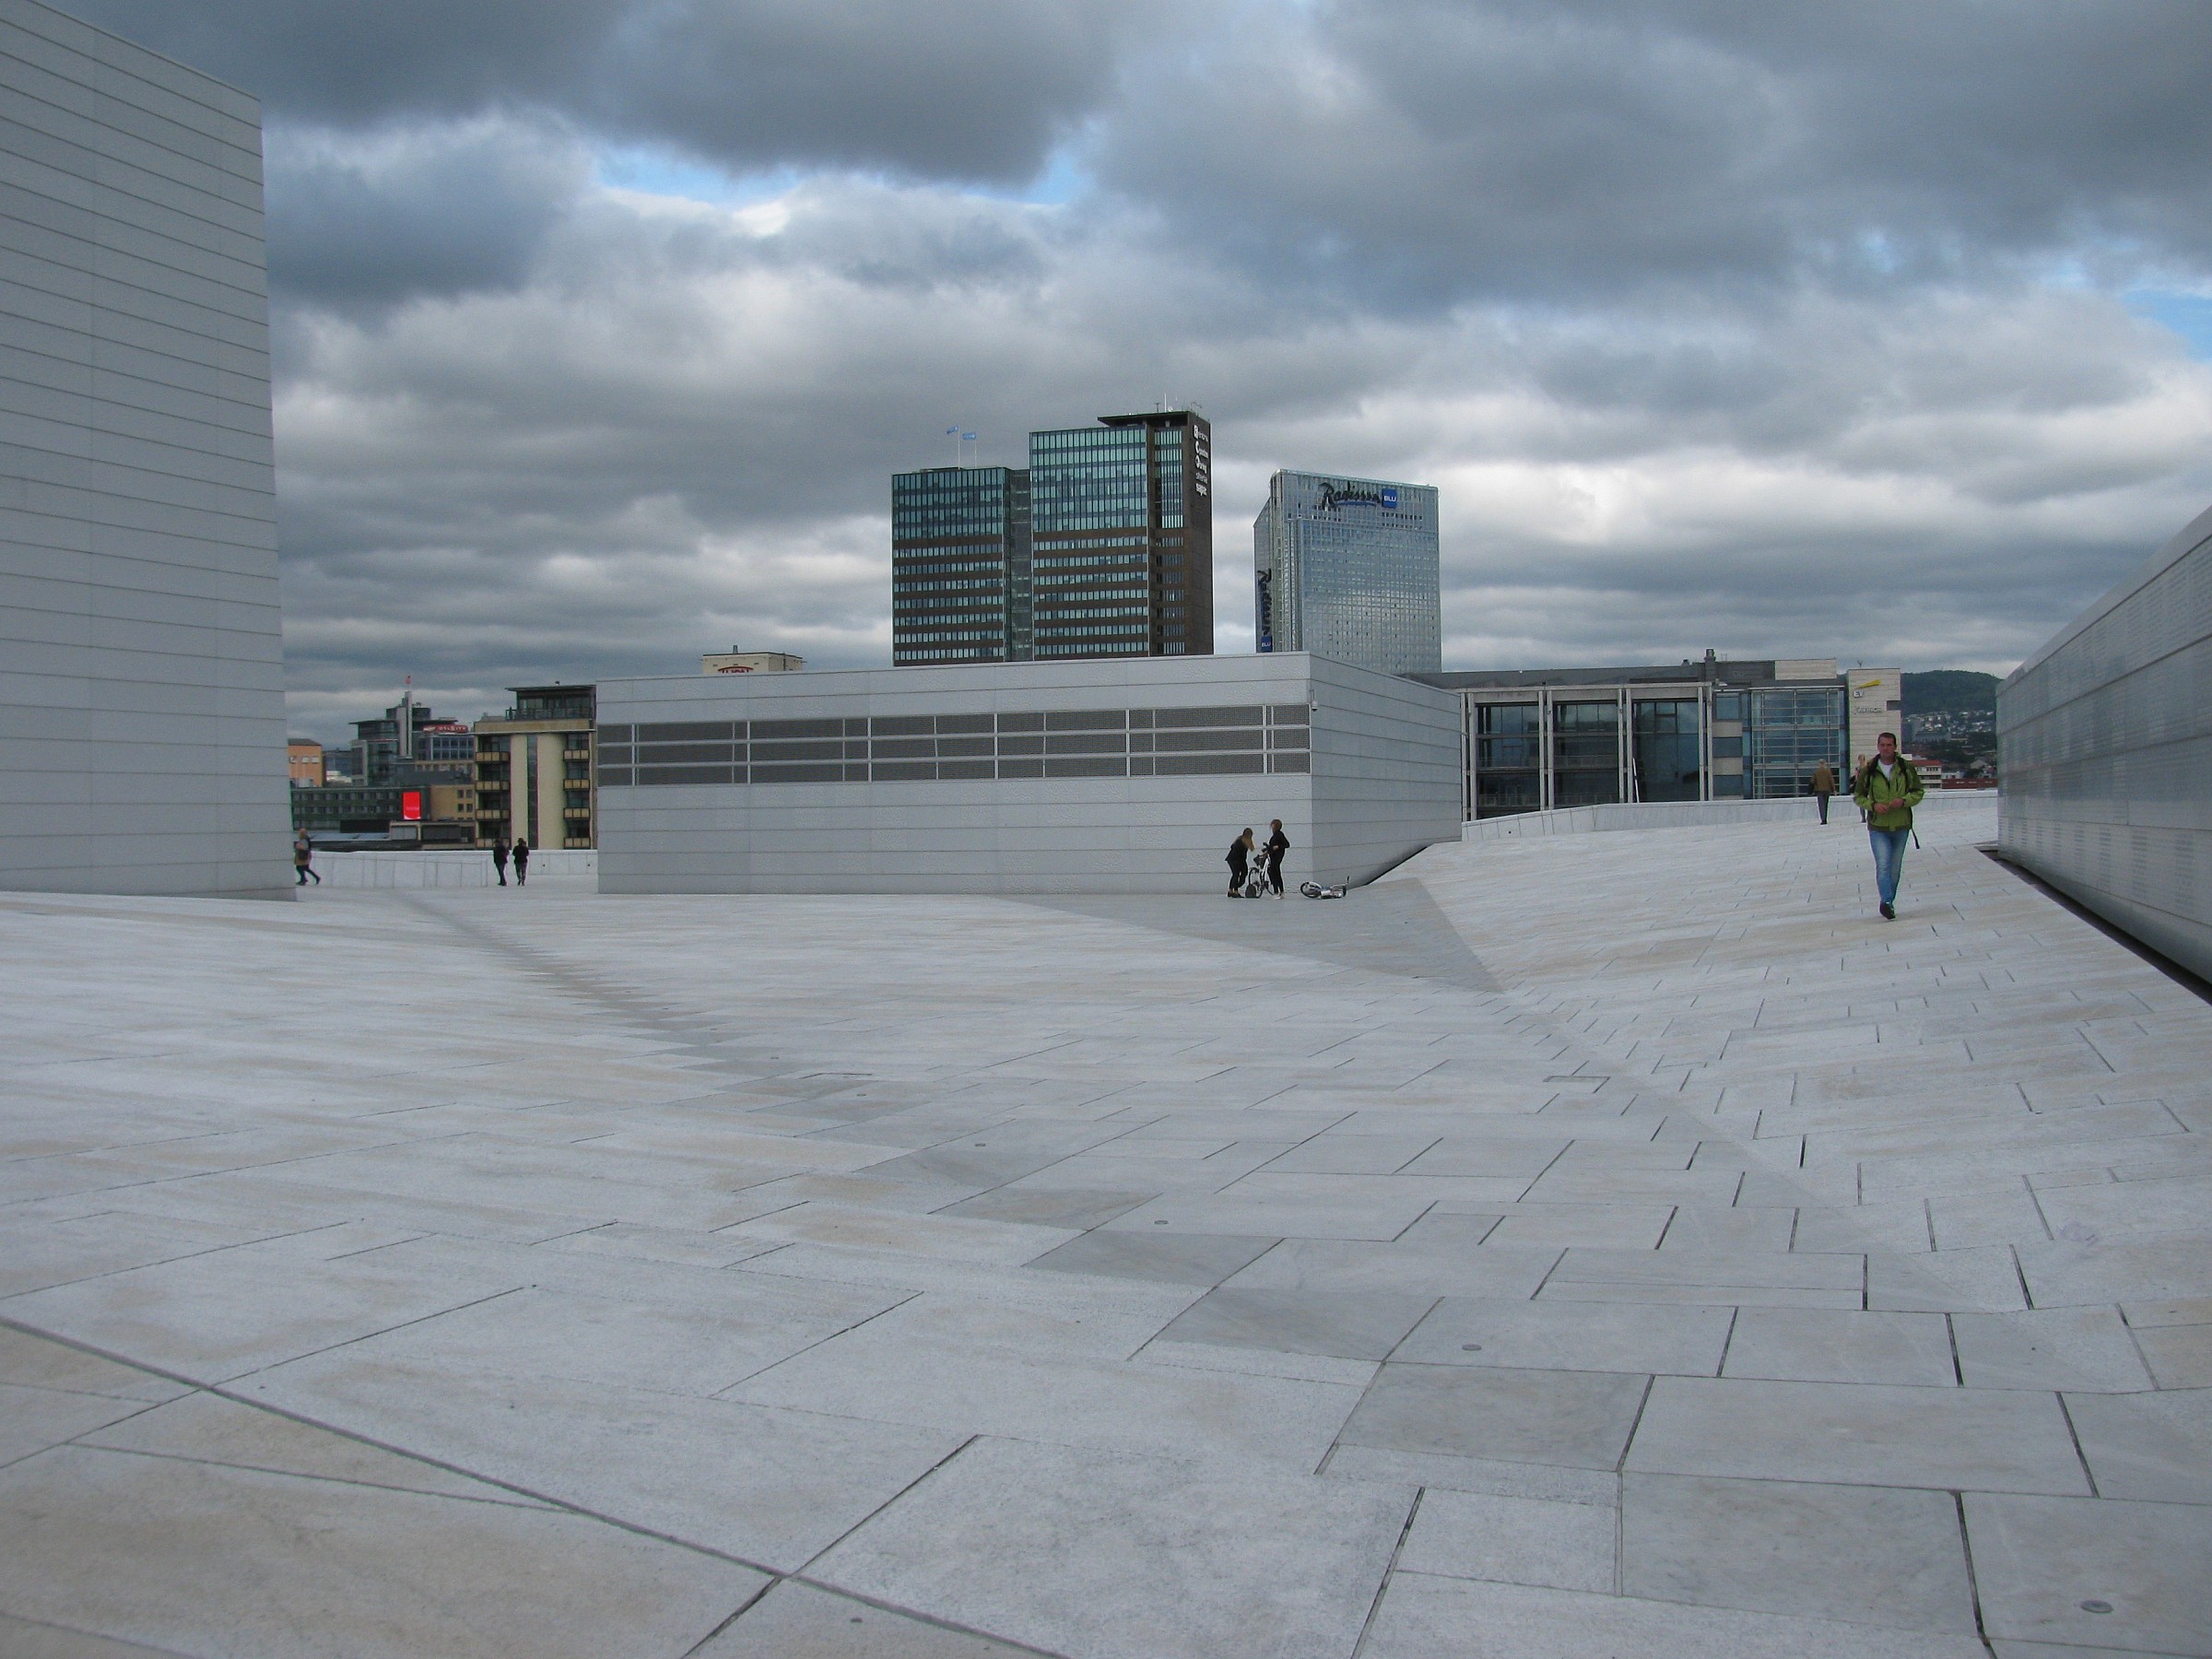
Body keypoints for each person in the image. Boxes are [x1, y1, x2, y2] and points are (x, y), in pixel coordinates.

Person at [1852, 732, 1924, 921]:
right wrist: (1873, 806)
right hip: (1878, 826)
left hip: (1901, 824)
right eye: (1883, 745)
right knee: (1883, 864)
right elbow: (1858, 796)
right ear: (1878, 747)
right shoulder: (1870, 770)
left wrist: (1904, 801)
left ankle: (1889, 901)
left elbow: (1918, 792)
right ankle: (1886, 901)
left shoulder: (1905, 768)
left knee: (1895, 867)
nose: (1886, 749)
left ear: (1895, 747)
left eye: (1889, 745)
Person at [1264, 819, 1289, 899]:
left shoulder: (1279, 834)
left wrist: (1277, 847)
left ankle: (1276, 892)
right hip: (1274, 856)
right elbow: (1272, 847)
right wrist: (1267, 852)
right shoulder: (1276, 835)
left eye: (1273, 825)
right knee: (1277, 873)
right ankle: (1281, 891)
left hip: (1277, 856)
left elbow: (1287, 844)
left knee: (1273, 872)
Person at [1225, 828, 1253, 898]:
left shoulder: (1241, 840)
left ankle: (1231, 890)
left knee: (1237, 874)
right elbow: (1239, 853)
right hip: (1235, 860)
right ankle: (1235, 891)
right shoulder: (1241, 842)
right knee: (1236, 874)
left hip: (1234, 859)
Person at [1810, 760, 1838, 825]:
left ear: (1819, 764)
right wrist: (1834, 790)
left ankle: (1823, 819)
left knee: (1821, 805)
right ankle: (1825, 818)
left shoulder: (1816, 772)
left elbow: (1812, 781)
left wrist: (1810, 790)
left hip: (1819, 790)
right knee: (1825, 805)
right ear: (1825, 764)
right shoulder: (1828, 772)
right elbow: (1831, 781)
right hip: (1827, 790)